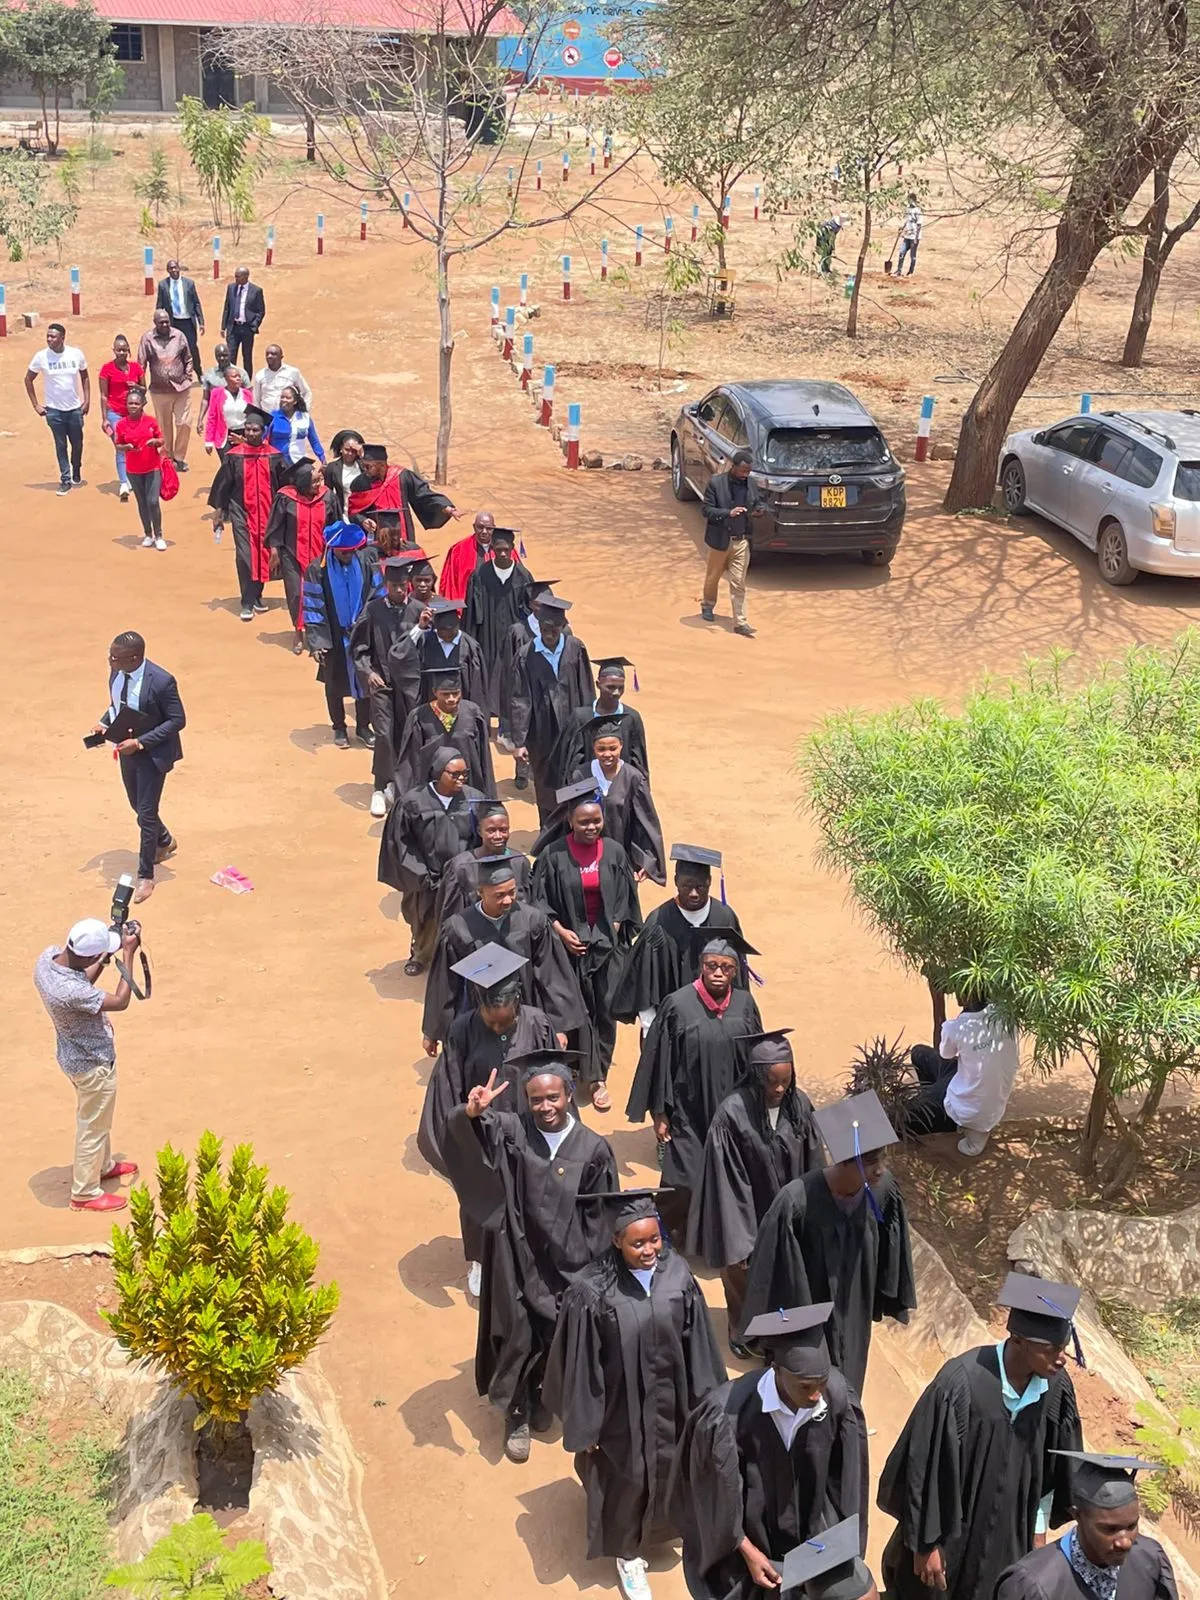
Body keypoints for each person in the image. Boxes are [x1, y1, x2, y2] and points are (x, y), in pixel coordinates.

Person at [543, 1188, 727, 1600]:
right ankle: (627, 1555)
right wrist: (586, 1423)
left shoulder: (678, 1275)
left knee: (672, 1467)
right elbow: (580, 1365)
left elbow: (696, 1343)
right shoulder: (591, 1292)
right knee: (628, 1478)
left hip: (673, 1400)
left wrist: (706, 1403)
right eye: (638, 1243)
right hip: (620, 1410)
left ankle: (661, 1530)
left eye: (655, 1239)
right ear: (616, 1241)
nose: (649, 1250)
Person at [441, 1055, 618, 1461]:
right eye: (535, 1099)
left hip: (569, 1264)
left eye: (553, 1097)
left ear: (570, 1095)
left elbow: (603, 1216)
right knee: (516, 1333)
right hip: (516, 1255)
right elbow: (466, 1136)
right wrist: (470, 1113)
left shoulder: (593, 1150)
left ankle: (539, 1393)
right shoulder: (513, 1130)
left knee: (556, 1335)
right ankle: (516, 1409)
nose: (545, 1107)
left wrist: (592, 1270)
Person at [878, 1271, 1084, 1600]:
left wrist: (1038, 1530)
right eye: (1050, 1349)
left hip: (1009, 1539)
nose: (1062, 1358)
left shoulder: (1055, 1389)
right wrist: (924, 1544)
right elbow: (922, 1470)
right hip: (949, 1542)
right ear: (1018, 1341)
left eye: (1064, 1347)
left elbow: (1050, 1474)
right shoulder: (959, 1385)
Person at [669, 1302, 868, 1600]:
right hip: (748, 1538)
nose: (815, 1395)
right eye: (805, 1386)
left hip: (813, 1534)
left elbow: (848, 1483)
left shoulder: (836, 1397)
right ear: (776, 1369)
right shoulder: (727, 1414)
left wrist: (837, 1547)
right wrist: (747, 1550)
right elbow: (714, 1501)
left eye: (821, 1383)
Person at [739, 1090, 916, 1396]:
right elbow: (770, 1273)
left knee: (849, 1384)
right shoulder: (796, 1202)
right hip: (810, 1313)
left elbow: (890, 1248)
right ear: (845, 1162)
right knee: (807, 1388)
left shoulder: (882, 1190)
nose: (880, 1169)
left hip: (855, 1304)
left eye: (882, 1159)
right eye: (870, 1161)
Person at [416, 946, 558, 1294]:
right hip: (482, 1133)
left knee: (535, 1194)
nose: (496, 1025)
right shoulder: (463, 1030)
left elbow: (556, 1078)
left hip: (531, 1129)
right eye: (489, 1018)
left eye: (504, 1018)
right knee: (481, 1196)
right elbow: (447, 1087)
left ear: (518, 1002)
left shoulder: (538, 1023)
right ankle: (481, 1258)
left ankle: (532, 1258)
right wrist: (469, 1112)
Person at [688, 1030, 822, 1351]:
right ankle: (742, 1331)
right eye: (771, 1081)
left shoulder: (799, 1105)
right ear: (755, 1076)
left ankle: (777, 1334)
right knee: (741, 1274)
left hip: (788, 1214)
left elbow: (814, 1162)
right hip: (746, 1214)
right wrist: (745, 1239)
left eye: (785, 1081)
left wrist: (809, 1216)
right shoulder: (732, 1115)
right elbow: (727, 1181)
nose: (778, 1088)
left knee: (788, 1276)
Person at [625, 934, 762, 1237]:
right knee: (684, 1179)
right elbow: (659, 1063)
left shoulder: (745, 1003)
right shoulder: (678, 1004)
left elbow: (758, 1056)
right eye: (711, 965)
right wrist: (660, 1113)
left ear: (735, 971)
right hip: (689, 1111)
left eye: (726, 967)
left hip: (733, 1111)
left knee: (732, 1176)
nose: (717, 972)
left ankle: (720, 1239)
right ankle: (664, 1232)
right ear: (701, 966)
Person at [532, 785, 643, 1109]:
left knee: (606, 1009)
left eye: (596, 821)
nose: (591, 827)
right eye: (583, 822)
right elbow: (540, 901)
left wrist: (617, 925)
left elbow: (625, 897)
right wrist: (561, 931)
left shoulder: (614, 852)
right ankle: (586, 1076)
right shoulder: (552, 856)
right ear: (570, 820)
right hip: (568, 948)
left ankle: (598, 1073)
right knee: (575, 1011)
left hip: (606, 947)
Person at [421, 852, 588, 1053]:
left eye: (512, 892)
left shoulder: (532, 921)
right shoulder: (459, 928)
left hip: (526, 1017)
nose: (508, 900)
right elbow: (445, 984)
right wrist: (433, 1030)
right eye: (499, 895)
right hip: (478, 1017)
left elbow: (551, 976)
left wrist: (559, 1027)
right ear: (480, 893)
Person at [33, 917, 143, 1213]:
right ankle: (84, 1193)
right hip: (92, 1063)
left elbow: (81, 977)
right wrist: (128, 954)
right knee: (93, 1126)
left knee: (98, 1118)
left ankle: (102, 1166)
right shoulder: (71, 991)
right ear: (90, 956)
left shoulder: (47, 960)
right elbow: (120, 1001)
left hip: (71, 1055)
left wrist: (104, 954)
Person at [994, 1452, 1177, 1600]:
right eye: (1109, 1529)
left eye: (1131, 1526)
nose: (1125, 1542)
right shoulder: (1035, 1584)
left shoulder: (1150, 1561)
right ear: (1077, 1515)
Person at [88, 631, 185, 905]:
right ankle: (164, 840)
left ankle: (146, 874)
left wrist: (141, 743)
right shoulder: (117, 672)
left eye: (115, 657)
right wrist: (104, 723)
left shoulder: (162, 681)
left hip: (153, 752)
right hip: (126, 748)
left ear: (134, 658)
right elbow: (118, 705)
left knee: (146, 811)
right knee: (136, 804)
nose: (110, 661)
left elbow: (178, 720)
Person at [613, 844, 747, 1032]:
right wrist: (650, 1027)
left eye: (700, 886)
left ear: (709, 881)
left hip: (718, 1024)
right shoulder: (658, 923)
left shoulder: (724, 918)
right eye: (687, 886)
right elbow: (644, 980)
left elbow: (738, 977)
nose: (694, 893)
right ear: (676, 881)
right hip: (670, 1027)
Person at [378, 749, 485, 974]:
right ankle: (421, 955)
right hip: (427, 876)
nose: (461, 779)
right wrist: (422, 876)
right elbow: (402, 844)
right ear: (437, 772)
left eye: (464, 774)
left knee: (465, 918)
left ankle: (459, 959)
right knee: (425, 919)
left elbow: (483, 838)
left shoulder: (475, 799)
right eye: (454, 774)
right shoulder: (412, 802)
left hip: (463, 875)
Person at [348, 551, 428, 814]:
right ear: (385, 585)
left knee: (406, 734)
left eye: (402, 585)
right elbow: (359, 647)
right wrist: (368, 672)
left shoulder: (418, 611)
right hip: (381, 682)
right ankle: (380, 787)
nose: (398, 590)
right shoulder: (373, 610)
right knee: (383, 733)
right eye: (393, 586)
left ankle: (400, 783)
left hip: (410, 687)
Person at [551, 714, 666, 884]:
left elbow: (645, 821)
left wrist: (647, 860)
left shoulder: (633, 778)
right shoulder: (581, 775)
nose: (607, 754)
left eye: (613, 748)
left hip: (622, 858)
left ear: (621, 746)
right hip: (585, 858)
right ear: (593, 748)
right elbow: (566, 817)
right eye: (601, 749)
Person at [511, 594, 596, 820]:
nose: (549, 633)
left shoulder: (575, 648)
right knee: (545, 784)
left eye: (554, 629)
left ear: (563, 626)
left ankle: (571, 829)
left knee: (575, 778)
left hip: (574, 729)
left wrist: (591, 726)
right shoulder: (525, 655)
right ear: (538, 625)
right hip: (541, 732)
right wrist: (520, 742)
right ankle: (547, 831)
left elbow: (587, 689)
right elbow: (520, 699)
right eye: (545, 628)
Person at [907, 991, 1020, 1156]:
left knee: (904, 1118)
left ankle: (958, 1123)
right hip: (990, 1101)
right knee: (919, 1053)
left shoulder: (956, 1028)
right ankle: (931, 1100)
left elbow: (943, 1054)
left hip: (968, 1111)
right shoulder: (1006, 1012)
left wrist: (938, 1003)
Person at [302, 519, 381, 750]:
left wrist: (367, 621)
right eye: (343, 552)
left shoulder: (367, 561)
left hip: (362, 633)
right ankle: (339, 726)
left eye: (351, 551)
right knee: (334, 683)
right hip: (334, 636)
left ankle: (364, 727)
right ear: (332, 548)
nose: (348, 555)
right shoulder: (318, 569)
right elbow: (314, 606)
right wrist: (317, 643)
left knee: (364, 679)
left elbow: (377, 594)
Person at [208, 405, 285, 621]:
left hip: (268, 515)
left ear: (263, 432)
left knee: (263, 554)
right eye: (247, 429)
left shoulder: (274, 456)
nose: (250, 433)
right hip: (241, 514)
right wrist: (218, 514)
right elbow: (222, 486)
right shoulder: (234, 457)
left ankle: (258, 596)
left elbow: (285, 485)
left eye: (255, 430)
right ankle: (247, 601)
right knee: (245, 556)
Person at [462, 526, 533, 745]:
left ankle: (507, 727)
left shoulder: (523, 575)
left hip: (516, 639)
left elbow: (531, 608)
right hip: (488, 637)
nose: (502, 553)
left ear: (513, 549)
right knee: (486, 679)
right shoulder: (480, 574)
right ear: (492, 549)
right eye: (498, 549)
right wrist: (470, 639)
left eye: (506, 549)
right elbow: (471, 611)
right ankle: (484, 725)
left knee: (513, 682)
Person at [265, 457, 335, 651]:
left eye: (319, 480)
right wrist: (274, 551)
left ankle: (317, 635)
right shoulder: (286, 498)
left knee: (319, 593)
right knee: (297, 593)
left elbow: (335, 525)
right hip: (292, 554)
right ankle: (298, 630)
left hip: (321, 555)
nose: (318, 484)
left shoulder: (327, 496)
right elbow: (275, 526)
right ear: (302, 482)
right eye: (314, 482)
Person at [347, 441, 462, 555]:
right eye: (363, 466)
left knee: (406, 562)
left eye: (369, 466)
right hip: (376, 538)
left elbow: (423, 494)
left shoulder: (402, 476)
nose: (365, 470)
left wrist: (446, 507)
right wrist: (363, 521)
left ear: (382, 465)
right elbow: (353, 511)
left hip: (403, 533)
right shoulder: (360, 483)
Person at [550, 655, 649, 787]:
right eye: (610, 687)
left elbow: (638, 761)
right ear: (598, 685)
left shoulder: (631, 718)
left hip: (620, 789)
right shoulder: (581, 717)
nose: (616, 693)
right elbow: (568, 761)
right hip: (587, 788)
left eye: (620, 687)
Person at [394, 668, 495, 795]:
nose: (451, 699)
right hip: (431, 790)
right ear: (435, 692)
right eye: (445, 694)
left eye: (456, 693)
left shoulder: (472, 713)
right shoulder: (420, 717)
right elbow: (410, 762)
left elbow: (484, 759)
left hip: (468, 787)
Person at [434, 799, 532, 925]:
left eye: (503, 830)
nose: (498, 836)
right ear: (480, 831)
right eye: (491, 831)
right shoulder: (461, 867)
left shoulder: (519, 862)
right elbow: (450, 918)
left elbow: (530, 906)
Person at [701, 450, 766, 637]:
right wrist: (728, 513)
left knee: (739, 583)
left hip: (741, 541)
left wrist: (759, 510)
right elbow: (706, 510)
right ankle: (707, 604)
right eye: (743, 470)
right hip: (720, 540)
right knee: (713, 576)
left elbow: (758, 503)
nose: (746, 474)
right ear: (734, 467)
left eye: (749, 471)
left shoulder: (751, 485)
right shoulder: (716, 483)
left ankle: (740, 622)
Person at [25, 322, 89, 496]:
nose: (49, 339)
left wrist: (87, 400)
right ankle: (65, 479)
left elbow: (84, 376)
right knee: (60, 445)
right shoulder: (41, 357)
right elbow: (28, 379)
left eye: (53, 336)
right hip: (53, 411)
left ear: (62, 338)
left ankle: (76, 467)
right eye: (48, 336)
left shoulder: (75, 354)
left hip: (75, 409)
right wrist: (36, 405)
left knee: (77, 444)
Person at [137, 308, 195, 471]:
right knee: (164, 426)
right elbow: (141, 364)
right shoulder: (147, 339)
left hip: (181, 388)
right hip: (159, 390)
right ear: (155, 323)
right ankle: (167, 457)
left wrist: (188, 376)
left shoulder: (179, 336)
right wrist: (140, 389)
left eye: (167, 321)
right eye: (161, 322)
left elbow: (188, 359)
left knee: (184, 422)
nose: (165, 325)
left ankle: (179, 457)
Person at [114, 386, 166, 551]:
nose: (133, 406)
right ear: (127, 405)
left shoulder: (151, 421)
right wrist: (126, 446)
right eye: (130, 403)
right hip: (134, 470)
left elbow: (161, 439)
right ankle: (148, 534)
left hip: (152, 467)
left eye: (136, 403)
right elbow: (118, 445)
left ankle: (159, 535)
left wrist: (155, 442)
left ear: (142, 404)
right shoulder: (121, 424)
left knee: (152, 501)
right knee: (142, 502)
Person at [98, 333, 144, 503]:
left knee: (136, 446)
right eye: (119, 350)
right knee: (120, 446)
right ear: (114, 350)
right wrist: (104, 418)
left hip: (134, 414)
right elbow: (103, 395)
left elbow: (144, 390)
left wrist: (137, 386)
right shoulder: (106, 369)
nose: (122, 353)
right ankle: (123, 483)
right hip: (115, 413)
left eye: (125, 350)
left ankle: (133, 476)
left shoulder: (136, 368)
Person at [418, 597, 488, 706]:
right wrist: (420, 627)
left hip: (462, 707)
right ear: (436, 627)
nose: (446, 637)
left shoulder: (470, 646)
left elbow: (478, 687)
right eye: (442, 632)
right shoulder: (425, 641)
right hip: (431, 707)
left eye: (451, 632)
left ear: (458, 625)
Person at [155, 258, 205, 373]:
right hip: (173, 323)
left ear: (179, 268)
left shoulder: (189, 283)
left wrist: (201, 322)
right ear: (167, 270)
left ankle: (199, 372)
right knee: (175, 349)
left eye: (175, 267)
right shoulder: (163, 285)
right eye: (171, 268)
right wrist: (158, 322)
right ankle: (179, 374)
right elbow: (159, 305)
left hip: (188, 322)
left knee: (192, 348)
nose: (173, 270)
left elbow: (196, 302)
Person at [439, 508, 497, 600]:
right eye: (480, 527)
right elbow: (450, 584)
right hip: (469, 605)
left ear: (494, 528)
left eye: (489, 528)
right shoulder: (458, 550)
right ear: (474, 527)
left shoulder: (504, 550)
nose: (484, 531)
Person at [221, 266, 266, 376]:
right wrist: (223, 326)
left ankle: (247, 383)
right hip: (233, 327)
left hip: (247, 328)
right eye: (235, 276)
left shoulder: (256, 291)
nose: (236, 279)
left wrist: (254, 325)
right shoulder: (231, 288)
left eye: (238, 276)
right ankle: (229, 380)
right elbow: (227, 307)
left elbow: (261, 311)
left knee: (247, 356)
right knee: (230, 356)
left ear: (246, 276)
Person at [267, 383, 325, 466]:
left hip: (298, 461)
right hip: (277, 462)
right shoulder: (273, 416)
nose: (284, 400)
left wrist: (322, 458)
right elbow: (261, 437)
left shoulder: (305, 418)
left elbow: (314, 440)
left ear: (295, 401)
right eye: (282, 397)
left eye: (288, 398)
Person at [202, 364, 251, 456]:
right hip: (224, 435)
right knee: (227, 465)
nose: (238, 378)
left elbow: (253, 416)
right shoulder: (217, 394)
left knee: (241, 466)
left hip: (243, 435)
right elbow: (212, 417)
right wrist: (208, 441)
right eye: (234, 376)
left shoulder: (248, 394)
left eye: (239, 376)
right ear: (226, 379)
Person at [254, 343, 311, 413]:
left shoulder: (293, 372)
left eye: (273, 354)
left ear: (281, 357)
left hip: (288, 416)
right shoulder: (260, 375)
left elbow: (306, 392)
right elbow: (256, 400)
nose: (269, 356)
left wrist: (304, 412)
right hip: (268, 417)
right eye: (267, 354)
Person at [324, 428, 366, 517]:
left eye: (354, 451)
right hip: (344, 513)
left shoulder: (364, 466)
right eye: (347, 449)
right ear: (341, 449)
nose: (350, 453)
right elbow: (327, 493)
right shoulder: (332, 468)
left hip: (363, 512)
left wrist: (362, 455)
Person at [895, 194, 923, 276]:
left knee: (912, 255)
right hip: (907, 235)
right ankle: (898, 270)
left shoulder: (918, 211)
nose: (909, 201)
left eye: (910, 199)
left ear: (913, 200)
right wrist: (902, 228)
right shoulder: (907, 209)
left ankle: (910, 272)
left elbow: (919, 225)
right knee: (901, 252)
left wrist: (916, 238)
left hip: (914, 236)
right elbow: (906, 220)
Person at [201, 341, 232, 411]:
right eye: (219, 356)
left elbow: (249, 397)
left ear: (229, 355)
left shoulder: (241, 374)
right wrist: (200, 419)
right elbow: (205, 398)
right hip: (215, 414)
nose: (222, 358)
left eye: (225, 355)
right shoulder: (209, 374)